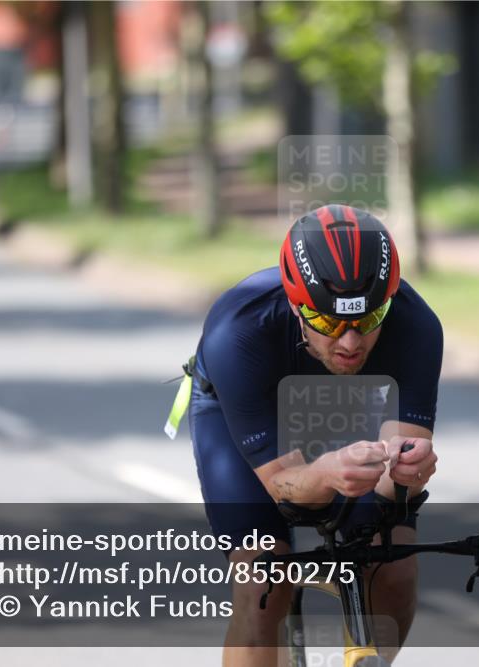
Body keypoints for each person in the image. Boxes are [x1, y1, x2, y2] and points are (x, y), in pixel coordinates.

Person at [180, 205, 442, 666]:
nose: (350, 343)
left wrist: (407, 471)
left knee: (394, 571)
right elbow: (285, 484)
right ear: (296, 304)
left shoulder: (417, 327)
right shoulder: (237, 332)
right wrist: (324, 476)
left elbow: (398, 473)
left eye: (369, 318)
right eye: (326, 323)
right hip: (243, 410)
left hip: (353, 409)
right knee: (263, 586)